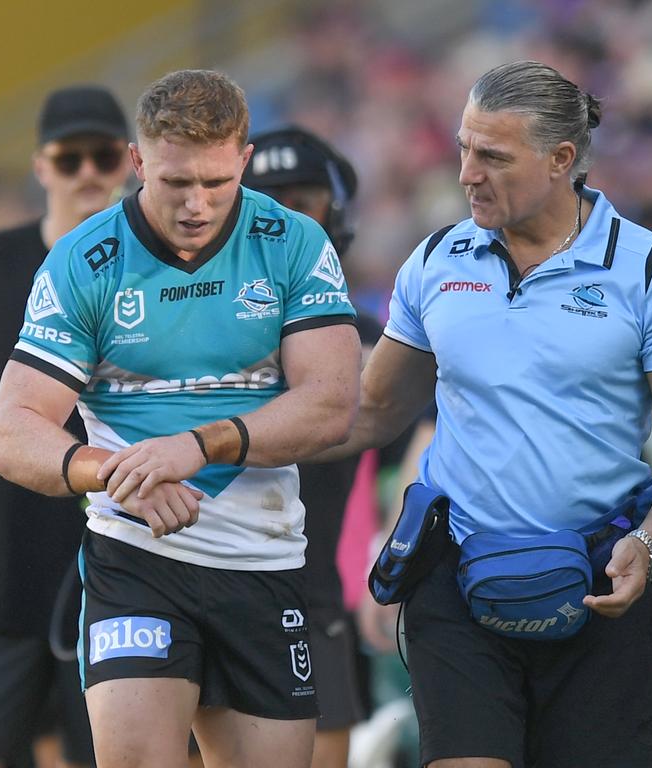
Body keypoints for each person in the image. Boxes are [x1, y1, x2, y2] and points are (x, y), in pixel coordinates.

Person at [312, 60, 652, 767]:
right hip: (456, 580)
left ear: (561, 159)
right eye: (464, 149)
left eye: (494, 157)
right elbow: (374, 410)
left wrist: (651, 543)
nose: (468, 173)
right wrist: (229, 447)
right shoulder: (438, 259)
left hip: (598, 579)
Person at [0, 69, 362, 768]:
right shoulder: (84, 262)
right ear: (137, 162)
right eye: (174, 182)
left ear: (245, 160)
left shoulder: (295, 243)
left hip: (265, 560)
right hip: (136, 561)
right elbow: (11, 431)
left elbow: (332, 405)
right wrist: (117, 473)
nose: (195, 205)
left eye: (216, 183)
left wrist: (198, 445)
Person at [0, 84, 132, 768]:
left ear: (130, 161)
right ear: (42, 167)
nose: (88, 173)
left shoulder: (155, 270)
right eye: (71, 160)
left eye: (103, 156)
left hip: (117, 570)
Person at [241, 126, 374, 768]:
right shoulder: (181, 322)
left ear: (336, 212)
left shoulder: (372, 336)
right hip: (191, 577)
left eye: (304, 200)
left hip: (312, 591)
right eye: (268, 203)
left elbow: (425, 442)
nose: (287, 219)